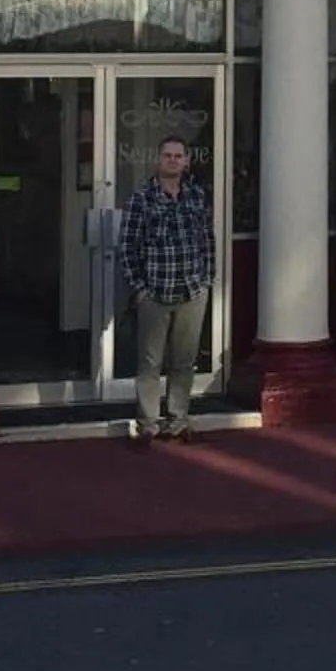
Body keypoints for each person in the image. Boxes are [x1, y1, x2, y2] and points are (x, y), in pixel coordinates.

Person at [118, 134, 214, 444]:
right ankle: (148, 423)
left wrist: (206, 279)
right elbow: (127, 247)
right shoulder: (141, 198)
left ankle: (178, 420)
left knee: (184, 360)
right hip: (155, 292)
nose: (172, 160)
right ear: (158, 160)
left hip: (192, 291)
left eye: (177, 156)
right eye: (167, 155)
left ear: (186, 161)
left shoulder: (197, 196)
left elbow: (207, 240)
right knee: (150, 362)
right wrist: (139, 289)